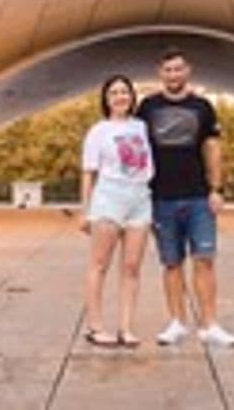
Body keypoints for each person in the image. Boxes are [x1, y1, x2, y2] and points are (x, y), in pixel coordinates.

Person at [138, 48, 234, 347]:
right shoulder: (147, 107)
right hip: (161, 197)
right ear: (161, 73)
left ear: (188, 71)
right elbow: (136, 150)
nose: (173, 74)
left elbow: (212, 149)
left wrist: (217, 189)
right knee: (171, 263)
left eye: (178, 69)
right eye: (168, 70)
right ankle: (176, 323)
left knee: (204, 260)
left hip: (197, 196)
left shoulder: (202, 107)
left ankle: (210, 325)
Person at [79, 74, 154, 348]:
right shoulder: (98, 131)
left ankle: (126, 327)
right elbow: (88, 173)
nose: (121, 97)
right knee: (99, 265)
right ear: (106, 100)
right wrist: (85, 211)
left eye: (125, 92)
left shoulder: (142, 127)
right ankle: (95, 326)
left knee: (132, 267)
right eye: (114, 93)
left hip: (139, 199)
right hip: (109, 198)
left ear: (132, 97)